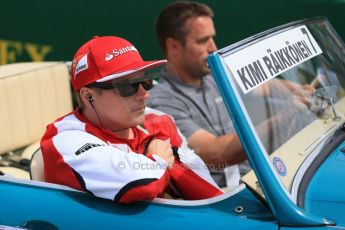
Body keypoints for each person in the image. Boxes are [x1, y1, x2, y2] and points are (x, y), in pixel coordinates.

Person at [40, 36, 223, 204]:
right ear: (89, 96)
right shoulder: (65, 139)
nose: (144, 94)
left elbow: (205, 186)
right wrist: (159, 159)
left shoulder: (158, 121)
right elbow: (141, 184)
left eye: (146, 81)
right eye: (128, 86)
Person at [148, 1, 246, 188]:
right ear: (174, 46)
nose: (213, 48)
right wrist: (287, 113)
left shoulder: (213, 76)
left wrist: (296, 91)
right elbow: (217, 155)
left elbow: (267, 87)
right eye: (202, 41)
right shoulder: (159, 103)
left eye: (212, 38)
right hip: (222, 202)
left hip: (249, 185)